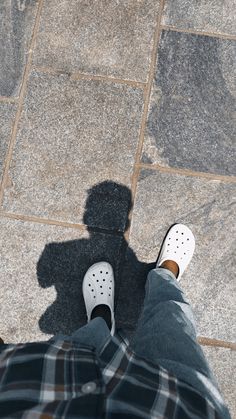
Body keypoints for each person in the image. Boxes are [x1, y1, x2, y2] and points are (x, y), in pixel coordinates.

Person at [0, 224, 231, 418]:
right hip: (180, 405)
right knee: (171, 323)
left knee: (89, 342)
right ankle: (165, 276)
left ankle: (101, 320)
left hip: (41, 387)